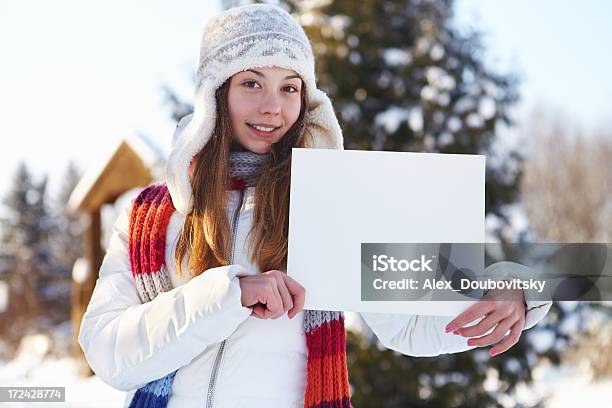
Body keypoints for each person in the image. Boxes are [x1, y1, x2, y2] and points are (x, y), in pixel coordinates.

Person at [78, 4, 552, 408]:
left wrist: (526, 286)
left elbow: (412, 324)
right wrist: (225, 297)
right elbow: (107, 351)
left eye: (289, 87)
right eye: (252, 83)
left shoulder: (334, 204)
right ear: (214, 94)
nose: (273, 107)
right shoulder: (149, 216)